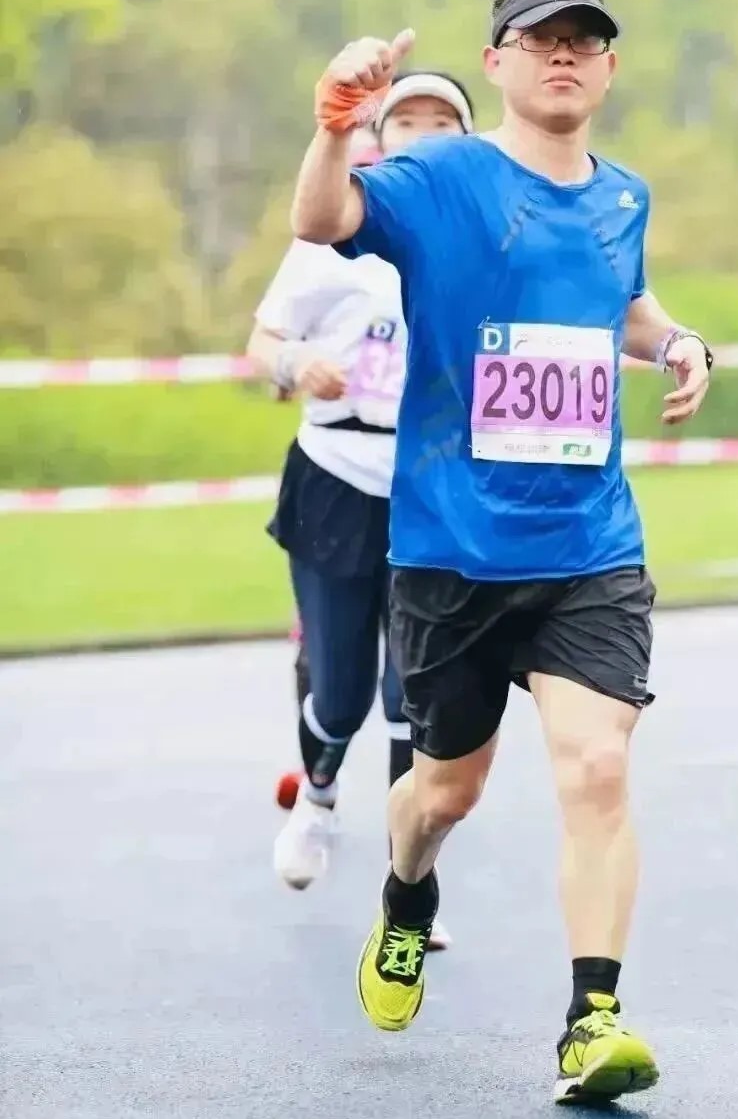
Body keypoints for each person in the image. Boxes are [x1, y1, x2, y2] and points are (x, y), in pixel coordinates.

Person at [290, 0, 713, 1106]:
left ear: (610, 67)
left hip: (588, 545)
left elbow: (624, 303)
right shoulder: (441, 176)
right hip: (453, 551)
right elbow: (323, 218)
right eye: (542, 38)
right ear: (498, 61)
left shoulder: (624, 197)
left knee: (598, 764)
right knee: (444, 794)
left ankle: (592, 1019)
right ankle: (407, 893)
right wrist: (334, 127)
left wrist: (678, 342)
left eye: (586, 39)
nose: (565, 54)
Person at [248, 71, 475, 964]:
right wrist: (294, 364)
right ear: (383, 136)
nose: (423, 132)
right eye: (406, 119)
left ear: (467, 138)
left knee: (413, 697)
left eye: (441, 120)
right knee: (340, 692)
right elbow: (263, 340)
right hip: (337, 475)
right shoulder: (338, 226)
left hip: (434, 489)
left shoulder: (482, 235)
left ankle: (407, 887)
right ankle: (317, 795)